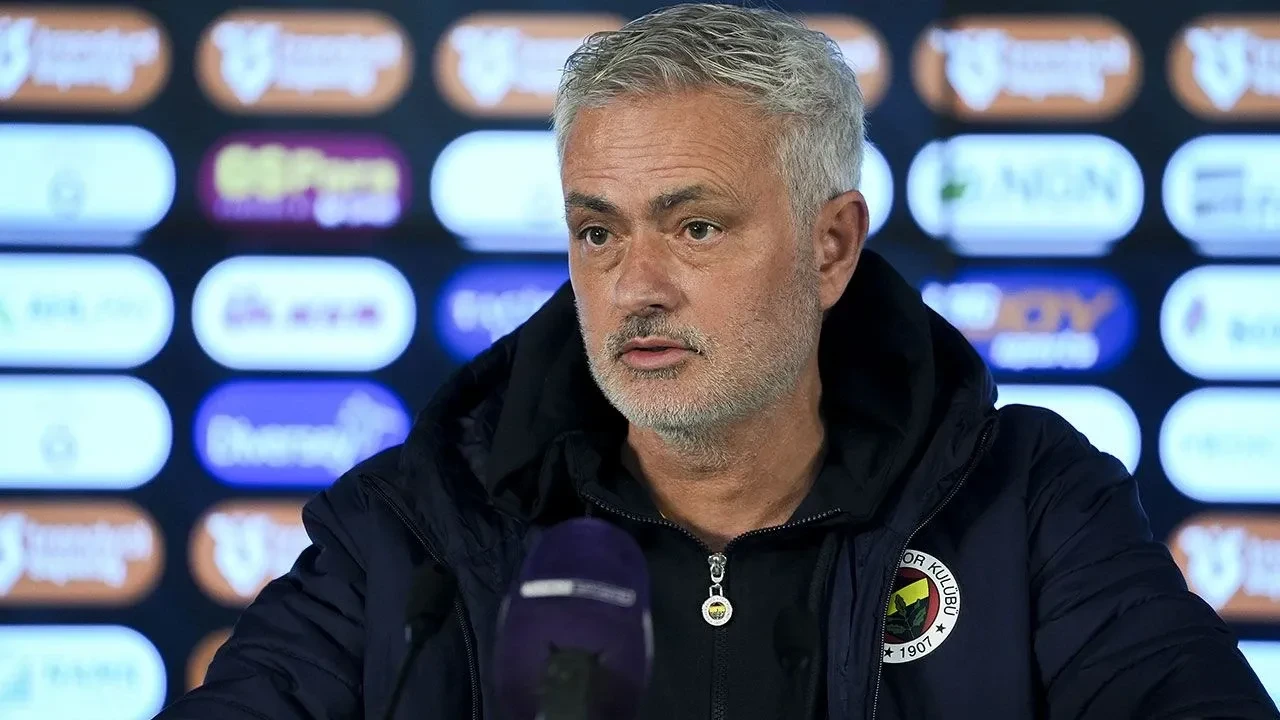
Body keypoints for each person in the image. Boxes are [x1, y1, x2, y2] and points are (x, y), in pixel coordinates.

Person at [157, 4, 1279, 719]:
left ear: (830, 246)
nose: (633, 286)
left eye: (695, 227)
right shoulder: (416, 529)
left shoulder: (1028, 505)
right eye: (597, 231)